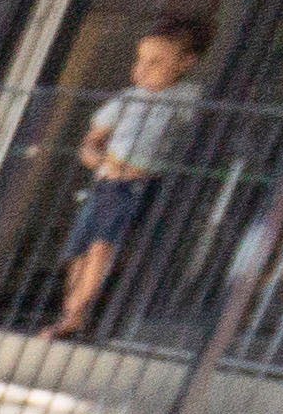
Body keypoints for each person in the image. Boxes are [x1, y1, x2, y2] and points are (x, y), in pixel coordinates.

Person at [62, 20, 205, 340]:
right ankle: (72, 311)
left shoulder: (185, 98)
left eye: (156, 62)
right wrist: (94, 157)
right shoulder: (126, 99)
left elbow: (191, 136)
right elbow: (92, 141)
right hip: (107, 181)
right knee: (81, 247)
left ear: (185, 64)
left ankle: (77, 311)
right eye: (140, 60)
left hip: (134, 185)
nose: (142, 69)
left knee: (102, 247)